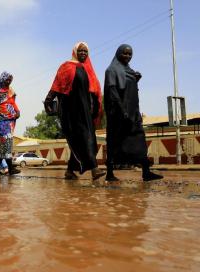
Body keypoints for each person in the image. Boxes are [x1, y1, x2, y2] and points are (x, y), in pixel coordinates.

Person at [44, 41, 105, 180]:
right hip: (70, 110)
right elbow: (57, 85)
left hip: (85, 110)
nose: (83, 53)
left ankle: (70, 170)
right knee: (85, 138)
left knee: (83, 139)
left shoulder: (88, 69)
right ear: (75, 52)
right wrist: (48, 100)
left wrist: (95, 108)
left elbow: (94, 91)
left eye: (85, 51)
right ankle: (94, 169)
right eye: (81, 51)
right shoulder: (66, 66)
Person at [104, 44, 163, 182]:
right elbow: (112, 90)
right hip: (119, 114)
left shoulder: (129, 70)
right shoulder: (111, 70)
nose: (127, 56)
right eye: (124, 53)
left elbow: (129, 90)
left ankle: (146, 172)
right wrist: (121, 110)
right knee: (115, 141)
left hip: (133, 112)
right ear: (118, 53)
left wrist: (136, 79)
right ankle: (110, 173)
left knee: (139, 139)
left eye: (130, 54)